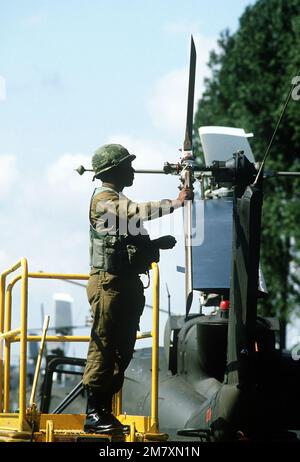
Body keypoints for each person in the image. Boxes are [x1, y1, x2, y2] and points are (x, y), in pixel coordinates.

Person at [82, 143, 193, 434]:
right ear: (114, 170)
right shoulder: (104, 200)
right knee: (104, 345)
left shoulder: (116, 199)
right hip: (109, 282)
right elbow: (133, 213)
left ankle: (103, 410)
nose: (132, 170)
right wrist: (176, 201)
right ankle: (93, 413)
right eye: (127, 165)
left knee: (121, 349)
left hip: (124, 284)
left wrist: (154, 245)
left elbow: (125, 239)